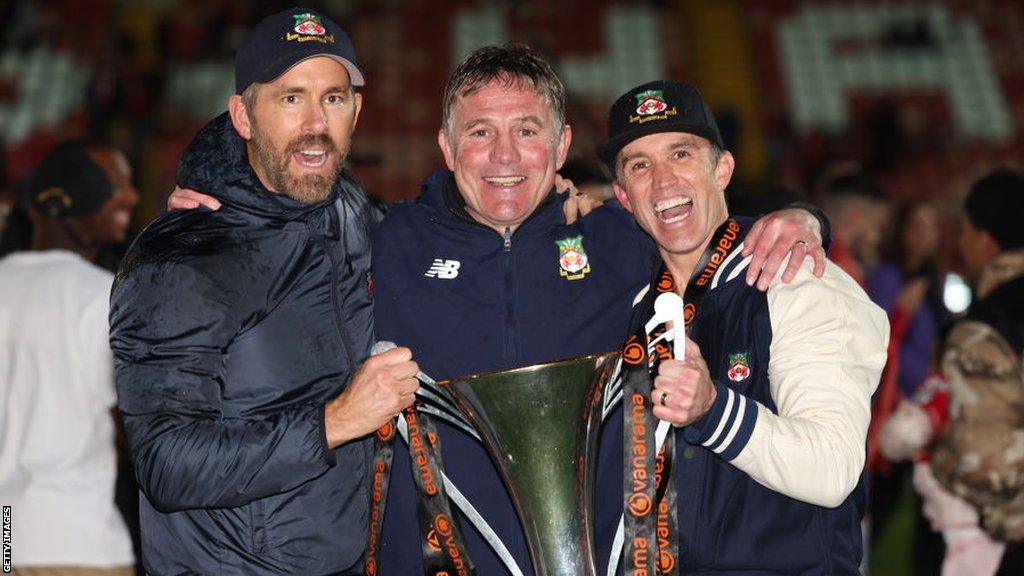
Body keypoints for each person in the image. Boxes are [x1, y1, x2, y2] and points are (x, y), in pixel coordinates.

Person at [170, 44, 828, 576]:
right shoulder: (380, 242)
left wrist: (800, 219)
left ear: (562, 145)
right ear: (448, 149)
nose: (505, 157)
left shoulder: (620, 241)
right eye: (480, 133)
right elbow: (270, 244)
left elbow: (702, 231)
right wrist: (210, 221)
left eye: (527, 131)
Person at [108, 8, 420, 575]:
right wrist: (337, 421)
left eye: (333, 98)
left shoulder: (352, 213)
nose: (316, 123)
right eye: (290, 98)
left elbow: (436, 233)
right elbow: (165, 464)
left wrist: (568, 205)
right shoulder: (180, 261)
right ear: (244, 117)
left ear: (356, 110)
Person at [599, 79, 888, 573]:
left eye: (682, 154)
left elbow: (833, 468)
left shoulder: (797, 280)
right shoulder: (634, 305)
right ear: (624, 196)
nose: (663, 181)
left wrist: (713, 409)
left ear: (723, 168)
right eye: (640, 166)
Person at [0, 139, 139, 575]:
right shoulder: (102, 295)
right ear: (91, 210)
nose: (130, 199)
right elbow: (133, 420)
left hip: (6, 536)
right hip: (79, 540)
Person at [931, 168, 1024, 574]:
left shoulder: (985, 328)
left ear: (985, 241)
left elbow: (985, 466)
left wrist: (937, 458)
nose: (961, 243)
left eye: (965, 231)